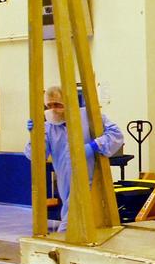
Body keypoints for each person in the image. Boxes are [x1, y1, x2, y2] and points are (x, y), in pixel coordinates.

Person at [24, 85, 124, 232]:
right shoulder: (48, 127)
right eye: (49, 106)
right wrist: (35, 134)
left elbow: (116, 135)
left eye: (57, 105)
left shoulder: (89, 116)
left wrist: (93, 146)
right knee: (72, 215)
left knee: (72, 221)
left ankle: (63, 240)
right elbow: (36, 155)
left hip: (90, 179)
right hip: (65, 181)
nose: (53, 110)